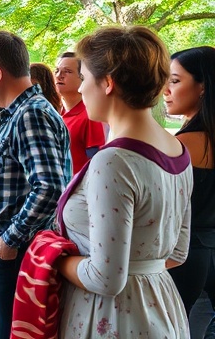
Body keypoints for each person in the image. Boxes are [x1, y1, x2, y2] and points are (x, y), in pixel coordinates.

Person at [56, 26, 192, 337]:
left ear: (107, 83)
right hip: (161, 307)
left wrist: (53, 258)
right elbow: (177, 253)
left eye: (85, 77)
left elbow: (106, 278)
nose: (80, 89)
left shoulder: (114, 160)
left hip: (112, 318)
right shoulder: (177, 150)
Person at [0, 31, 71, 339]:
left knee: (7, 333)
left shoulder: (31, 115)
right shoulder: (16, 114)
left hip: (14, 254)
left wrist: (8, 241)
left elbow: (50, 187)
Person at [165, 46, 215, 339]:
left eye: (174, 81)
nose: (165, 90)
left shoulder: (182, 144)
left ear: (202, 88)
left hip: (185, 256)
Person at [56, 51, 106, 171]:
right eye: (57, 70)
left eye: (67, 71)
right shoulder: (55, 115)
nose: (59, 75)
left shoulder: (91, 116)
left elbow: (96, 163)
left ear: (82, 77)